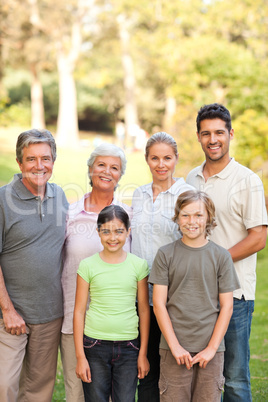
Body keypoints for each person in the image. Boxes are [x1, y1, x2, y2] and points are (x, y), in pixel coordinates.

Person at [186, 103, 268, 402]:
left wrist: (213, 261)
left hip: (235, 294)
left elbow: (258, 237)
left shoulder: (247, 180)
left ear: (230, 134)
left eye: (219, 132)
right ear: (198, 137)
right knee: (204, 377)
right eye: (206, 133)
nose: (213, 139)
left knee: (234, 379)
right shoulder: (191, 179)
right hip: (196, 296)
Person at [149, 190, 240, 401]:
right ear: (177, 217)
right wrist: (174, 346)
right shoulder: (165, 254)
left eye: (198, 215)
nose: (192, 221)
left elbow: (226, 306)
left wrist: (211, 349)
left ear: (208, 217)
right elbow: (159, 303)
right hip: (173, 348)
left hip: (211, 350)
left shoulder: (221, 256)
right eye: (185, 215)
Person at [0, 129, 68, 402]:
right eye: (31, 159)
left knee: (39, 391)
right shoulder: (3, 200)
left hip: (50, 314)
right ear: (20, 163)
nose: (39, 166)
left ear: (53, 161)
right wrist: (7, 310)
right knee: (5, 386)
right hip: (11, 316)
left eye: (46, 158)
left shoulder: (60, 196)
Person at [61, 143, 132, 401]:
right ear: (90, 169)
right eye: (101, 164)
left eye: (114, 167)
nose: (106, 171)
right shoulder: (69, 213)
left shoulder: (126, 217)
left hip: (116, 326)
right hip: (74, 321)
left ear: (120, 176)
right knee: (77, 393)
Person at [131, 131, 194, 401]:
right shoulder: (138, 195)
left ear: (176, 159)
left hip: (171, 297)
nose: (161, 164)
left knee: (172, 368)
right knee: (145, 368)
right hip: (139, 296)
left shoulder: (186, 195)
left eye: (167, 158)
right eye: (155, 158)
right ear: (146, 160)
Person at [73, 205, 150, 402]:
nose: (112, 237)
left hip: (129, 347)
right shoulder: (87, 265)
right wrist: (81, 357)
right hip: (94, 345)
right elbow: (79, 311)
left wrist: (142, 353)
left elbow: (143, 310)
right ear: (98, 232)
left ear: (128, 232)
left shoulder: (138, 265)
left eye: (119, 231)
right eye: (106, 231)